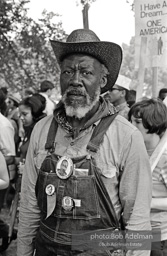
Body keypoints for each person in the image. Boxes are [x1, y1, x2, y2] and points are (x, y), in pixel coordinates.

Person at [17, 29, 152, 256]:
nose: (75, 81)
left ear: (103, 80)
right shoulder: (41, 130)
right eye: (68, 71)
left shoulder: (127, 136)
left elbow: (138, 221)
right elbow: (29, 207)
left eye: (86, 72)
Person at [128, 98, 167, 255]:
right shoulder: (132, 151)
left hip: (158, 235)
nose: (131, 127)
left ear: (154, 124)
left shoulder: (164, 158)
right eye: (130, 121)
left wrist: (145, 204)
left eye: (138, 122)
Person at [17, 94, 46, 163]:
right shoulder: (29, 129)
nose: (21, 118)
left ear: (35, 113)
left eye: (24, 114)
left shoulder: (41, 132)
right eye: (20, 114)